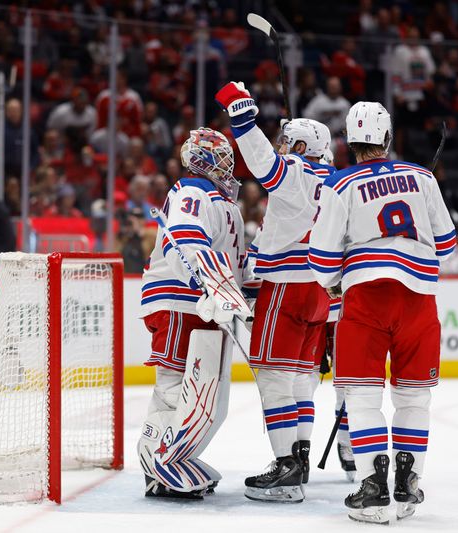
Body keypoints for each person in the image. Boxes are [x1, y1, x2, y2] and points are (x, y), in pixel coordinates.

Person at [308, 102, 456, 524]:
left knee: (362, 395)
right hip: (418, 300)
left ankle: (373, 488)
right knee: (413, 397)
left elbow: (321, 261)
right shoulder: (423, 176)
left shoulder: (340, 184)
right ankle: (408, 487)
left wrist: (335, 278)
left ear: (349, 142)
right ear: (387, 138)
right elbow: (446, 245)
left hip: (366, 300)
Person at [215, 81, 335, 503]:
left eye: (288, 141)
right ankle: (298, 461)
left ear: (301, 146)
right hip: (319, 293)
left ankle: (286, 466)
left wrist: (241, 112)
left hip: (287, 288)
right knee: (302, 379)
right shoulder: (335, 181)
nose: (282, 146)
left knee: (271, 377)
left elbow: (263, 161)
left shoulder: (296, 174)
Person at [138, 127, 252, 500]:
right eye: (221, 157)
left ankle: (175, 456)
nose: (228, 165)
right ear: (201, 158)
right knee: (173, 388)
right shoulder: (193, 190)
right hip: (178, 301)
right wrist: (206, 282)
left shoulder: (224, 203)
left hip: (203, 305)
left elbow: (237, 266)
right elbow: (186, 240)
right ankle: (156, 459)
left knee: (206, 395)